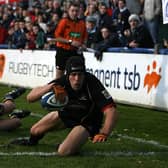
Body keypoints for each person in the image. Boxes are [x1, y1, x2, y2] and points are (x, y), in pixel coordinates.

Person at [12, 56, 118, 156]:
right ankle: (31, 142)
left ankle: (68, 144)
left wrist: (104, 133)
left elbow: (111, 110)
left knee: (63, 152)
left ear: (84, 74)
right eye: (73, 74)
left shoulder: (92, 83)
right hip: (68, 115)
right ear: (68, 75)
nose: (77, 79)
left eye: (80, 74)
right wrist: (49, 88)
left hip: (87, 122)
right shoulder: (62, 82)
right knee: (34, 130)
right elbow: (30, 98)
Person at [54, 2, 88, 79]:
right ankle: (57, 90)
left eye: (76, 11)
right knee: (59, 76)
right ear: (68, 11)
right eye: (72, 11)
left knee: (80, 72)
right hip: (63, 51)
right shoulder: (64, 22)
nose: (74, 13)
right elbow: (57, 37)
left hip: (76, 52)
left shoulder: (82, 23)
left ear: (79, 11)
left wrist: (83, 45)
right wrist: (70, 42)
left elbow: (84, 37)